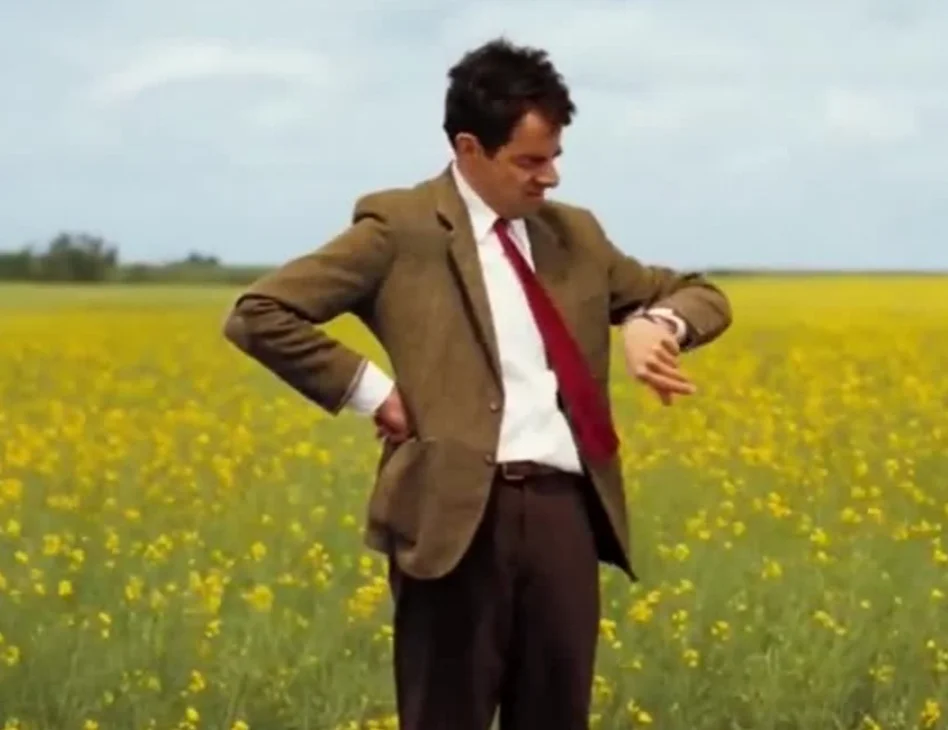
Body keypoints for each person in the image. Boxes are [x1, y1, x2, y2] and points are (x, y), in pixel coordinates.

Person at [222, 37, 732, 730]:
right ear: (469, 148)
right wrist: (374, 393)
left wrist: (657, 322)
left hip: (563, 514)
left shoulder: (575, 235)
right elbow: (259, 314)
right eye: (530, 161)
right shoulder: (400, 227)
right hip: (454, 518)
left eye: (555, 157)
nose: (550, 178)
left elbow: (699, 293)